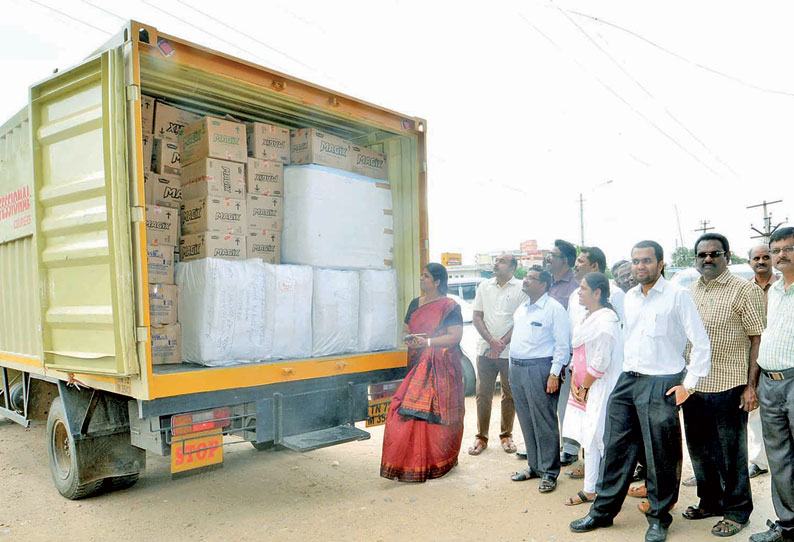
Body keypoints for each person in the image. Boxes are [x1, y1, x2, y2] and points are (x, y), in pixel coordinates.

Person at [570, 240, 711, 542]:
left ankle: (659, 517)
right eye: (635, 261)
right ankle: (602, 512)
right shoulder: (629, 298)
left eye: (647, 261)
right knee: (616, 447)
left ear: (661, 264)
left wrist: (689, 385)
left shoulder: (677, 295)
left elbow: (700, 343)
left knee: (661, 453)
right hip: (627, 381)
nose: (640, 266)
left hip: (661, 381)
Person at [680, 233, 764, 537]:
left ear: (727, 256)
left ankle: (737, 510)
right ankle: (710, 501)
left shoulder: (743, 290)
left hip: (730, 384)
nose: (708, 259)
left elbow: (757, 338)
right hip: (694, 386)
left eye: (715, 254)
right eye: (702, 255)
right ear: (695, 259)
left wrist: (750, 385)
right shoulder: (687, 292)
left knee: (731, 453)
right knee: (700, 450)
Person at [380, 263, 464, 482]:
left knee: (434, 414)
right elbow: (405, 329)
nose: (421, 279)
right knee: (405, 411)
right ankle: (411, 462)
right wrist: (408, 338)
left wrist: (426, 341)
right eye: (421, 275)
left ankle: (436, 463)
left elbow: (455, 336)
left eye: (425, 276)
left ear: (437, 281)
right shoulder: (415, 303)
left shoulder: (449, 306)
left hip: (441, 367)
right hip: (417, 362)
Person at [562, 273, 623, 506]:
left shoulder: (606, 320)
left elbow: (601, 360)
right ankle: (591, 488)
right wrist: (577, 384)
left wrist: (584, 386)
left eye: (584, 288)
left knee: (600, 438)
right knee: (590, 436)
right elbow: (579, 354)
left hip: (601, 387)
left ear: (598, 293)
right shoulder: (586, 318)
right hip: (584, 386)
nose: (579, 292)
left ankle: (604, 489)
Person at [750, 227, 794, 542]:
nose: (781, 255)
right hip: (770, 382)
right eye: (776, 249)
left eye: (787, 248)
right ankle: (788, 525)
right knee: (778, 458)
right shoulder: (776, 291)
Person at [508, 266, 570, 494]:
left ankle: (550, 472)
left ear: (544, 285)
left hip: (540, 369)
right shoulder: (522, 309)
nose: (526, 282)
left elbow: (563, 345)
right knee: (526, 418)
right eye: (526, 278)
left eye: (532, 279)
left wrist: (554, 374)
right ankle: (534, 466)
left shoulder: (554, 309)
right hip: (517, 368)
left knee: (544, 420)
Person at [467, 253, 527, 456]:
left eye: (501, 261)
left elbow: (521, 320)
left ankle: (506, 435)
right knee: (483, 394)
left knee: (509, 394)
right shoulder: (484, 286)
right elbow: (477, 316)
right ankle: (481, 437)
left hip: (510, 352)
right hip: (485, 350)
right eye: (496, 260)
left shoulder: (521, 288)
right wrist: (492, 342)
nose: (496, 264)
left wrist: (500, 344)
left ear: (512, 267)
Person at [747, 244, 780, 479]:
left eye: (765, 257)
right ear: (750, 262)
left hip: (780, 356)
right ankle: (759, 461)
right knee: (755, 413)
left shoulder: (782, 286)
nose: (761, 261)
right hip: (755, 355)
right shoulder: (745, 289)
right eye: (756, 258)